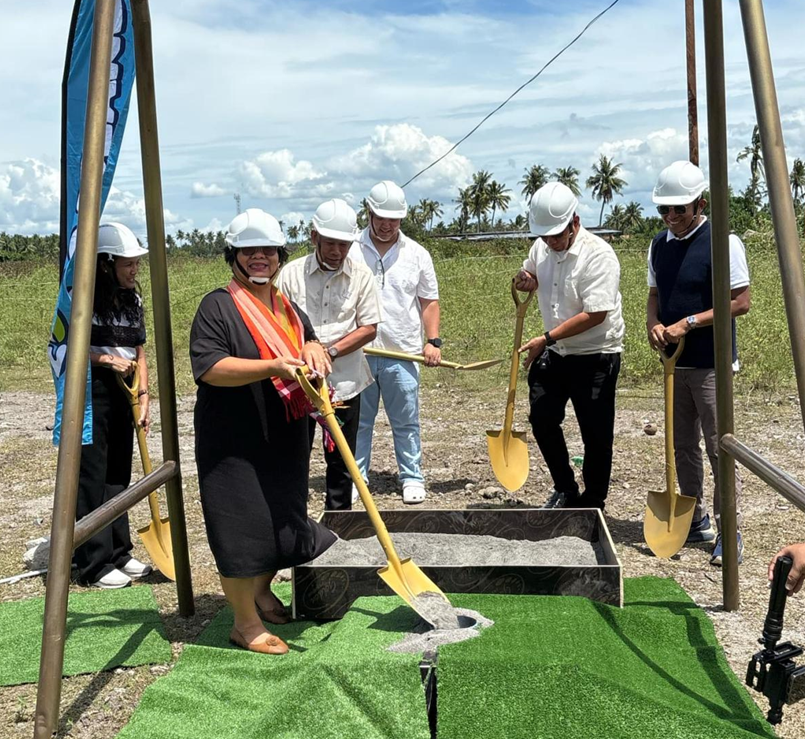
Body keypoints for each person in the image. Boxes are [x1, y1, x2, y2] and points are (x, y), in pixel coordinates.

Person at [190, 208, 336, 655]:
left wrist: (312, 346)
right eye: (249, 251)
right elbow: (211, 367)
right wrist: (272, 366)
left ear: (278, 256)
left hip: (284, 434)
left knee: (279, 519)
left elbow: (307, 338)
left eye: (268, 251)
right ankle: (245, 624)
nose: (260, 258)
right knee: (240, 528)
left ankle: (260, 590)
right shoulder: (218, 305)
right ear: (233, 256)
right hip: (234, 439)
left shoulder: (285, 304)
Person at [646, 160, 750, 566]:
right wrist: (655, 325)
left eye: (680, 209)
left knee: (718, 446)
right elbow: (654, 295)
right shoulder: (658, 245)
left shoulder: (723, 241)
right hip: (675, 365)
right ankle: (694, 518)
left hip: (711, 363)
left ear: (700, 204)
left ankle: (729, 529)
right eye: (664, 210)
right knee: (682, 445)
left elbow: (740, 301)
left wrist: (688, 323)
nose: (671, 218)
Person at [516, 182, 624, 511]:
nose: (550, 242)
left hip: (596, 354)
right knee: (542, 417)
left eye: (556, 235)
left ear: (574, 222)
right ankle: (565, 488)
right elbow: (530, 270)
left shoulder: (599, 256)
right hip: (558, 352)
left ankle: (593, 501)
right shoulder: (542, 247)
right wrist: (525, 278)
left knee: (595, 432)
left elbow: (595, 314)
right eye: (545, 236)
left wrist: (545, 339)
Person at [277, 199, 381, 510]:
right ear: (314, 238)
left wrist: (329, 352)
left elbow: (369, 328)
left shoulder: (361, 277)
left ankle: (340, 525)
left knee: (342, 459)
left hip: (346, 382)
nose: (337, 251)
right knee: (294, 457)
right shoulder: (290, 275)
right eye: (331, 243)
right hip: (299, 385)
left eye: (344, 245)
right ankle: (294, 521)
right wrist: (306, 358)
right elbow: (279, 323)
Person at [350, 181, 441, 504]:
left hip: (402, 352)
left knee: (405, 419)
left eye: (394, 219)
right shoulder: (349, 249)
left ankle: (412, 477)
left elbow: (429, 301)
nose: (386, 225)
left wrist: (433, 341)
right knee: (359, 420)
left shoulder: (417, 254)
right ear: (369, 213)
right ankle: (356, 477)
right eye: (380, 217)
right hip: (358, 351)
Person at [75, 222, 153, 589]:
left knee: (119, 476)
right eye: (128, 263)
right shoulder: (81, 300)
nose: (134, 270)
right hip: (92, 393)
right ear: (105, 264)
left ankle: (119, 551)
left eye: (136, 263)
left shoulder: (133, 300)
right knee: (93, 476)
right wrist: (105, 361)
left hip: (127, 390)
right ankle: (93, 562)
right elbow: (66, 351)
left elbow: (140, 351)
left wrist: (144, 398)